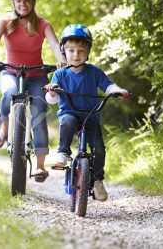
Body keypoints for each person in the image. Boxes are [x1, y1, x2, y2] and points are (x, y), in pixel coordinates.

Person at [0, 0, 65, 182]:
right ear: (13, 2)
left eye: (27, 0)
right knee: (9, 92)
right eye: (18, 0)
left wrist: (60, 58)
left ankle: (40, 167)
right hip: (10, 72)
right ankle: (5, 127)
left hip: (37, 76)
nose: (22, 4)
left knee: (38, 115)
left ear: (33, 2)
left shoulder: (43, 24)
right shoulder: (5, 22)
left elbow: (54, 44)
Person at [43, 24, 128, 201]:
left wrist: (117, 90)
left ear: (88, 52)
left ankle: (97, 181)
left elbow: (107, 85)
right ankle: (63, 153)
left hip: (91, 115)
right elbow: (52, 99)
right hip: (70, 113)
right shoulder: (60, 74)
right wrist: (52, 90)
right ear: (64, 52)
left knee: (99, 149)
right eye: (71, 50)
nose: (76, 55)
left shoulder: (94, 72)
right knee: (66, 122)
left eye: (81, 51)